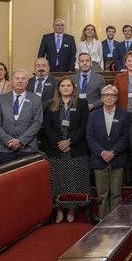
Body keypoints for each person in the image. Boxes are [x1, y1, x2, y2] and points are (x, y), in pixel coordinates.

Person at [41, 77, 90, 224]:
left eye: (69, 85)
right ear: (59, 88)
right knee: (58, 182)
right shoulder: (50, 105)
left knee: (73, 181)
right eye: (63, 85)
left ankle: (71, 210)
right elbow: (47, 127)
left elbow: (84, 126)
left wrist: (69, 141)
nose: (66, 88)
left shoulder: (82, 103)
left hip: (76, 149)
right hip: (56, 150)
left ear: (73, 88)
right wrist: (58, 142)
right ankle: (59, 211)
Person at [86, 84, 131, 219]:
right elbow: (90, 137)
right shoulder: (93, 115)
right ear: (102, 98)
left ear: (116, 98)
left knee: (116, 193)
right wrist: (102, 152)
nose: (109, 97)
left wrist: (113, 152)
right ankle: (103, 218)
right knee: (102, 194)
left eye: (112, 95)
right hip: (99, 160)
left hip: (117, 159)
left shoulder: (124, 115)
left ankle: (115, 218)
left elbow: (126, 136)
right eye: (106, 95)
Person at [0, 69, 44, 163]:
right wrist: (9, 141)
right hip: (6, 147)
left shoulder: (36, 99)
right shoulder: (2, 99)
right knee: (7, 177)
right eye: (17, 78)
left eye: (23, 79)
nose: (20, 81)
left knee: (27, 177)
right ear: (11, 81)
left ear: (27, 82)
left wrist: (20, 141)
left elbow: (37, 122)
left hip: (27, 147)